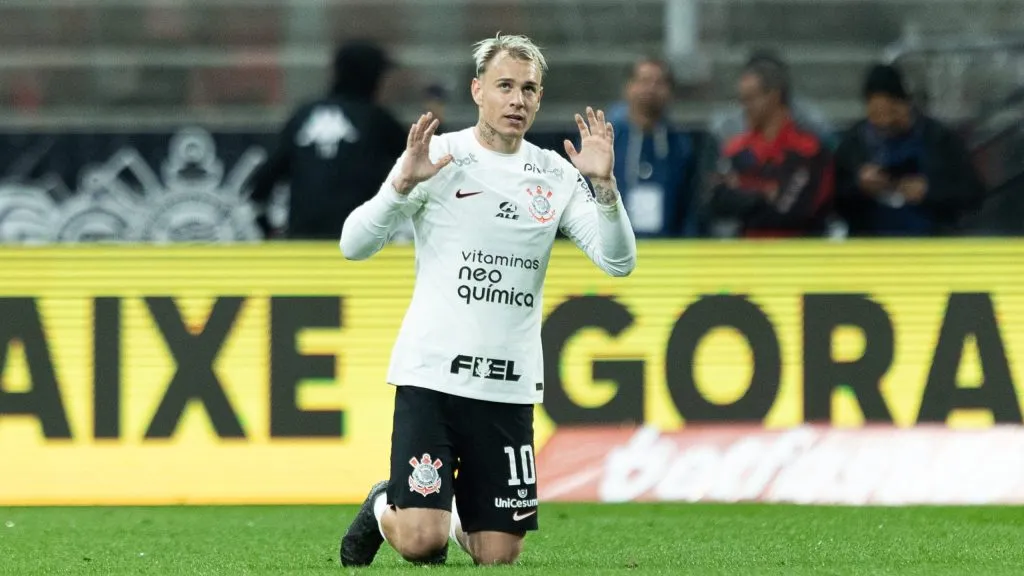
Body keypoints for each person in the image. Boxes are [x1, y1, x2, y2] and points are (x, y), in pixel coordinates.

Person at [337, 33, 637, 567]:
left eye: (529, 89)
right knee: (420, 542)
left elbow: (618, 262)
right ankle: (387, 503)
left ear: (540, 98)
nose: (517, 100)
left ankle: (436, 508)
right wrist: (400, 185)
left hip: (508, 386)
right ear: (478, 90)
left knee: (496, 555)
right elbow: (353, 245)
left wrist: (605, 190)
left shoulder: (556, 175)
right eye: (505, 86)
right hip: (433, 377)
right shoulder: (438, 156)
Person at [248, 40, 406, 239]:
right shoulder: (377, 120)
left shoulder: (303, 115)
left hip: (304, 242)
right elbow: (420, 163)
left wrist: (266, 226)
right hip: (358, 243)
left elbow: (261, 184)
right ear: (372, 76)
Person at [833, 63, 985, 236]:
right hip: (871, 247)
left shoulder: (940, 139)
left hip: (932, 245)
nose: (885, 123)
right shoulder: (853, 144)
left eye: (892, 113)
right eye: (876, 114)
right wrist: (860, 187)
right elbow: (833, 199)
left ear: (906, 104)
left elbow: (973, 193)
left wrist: (929, 192)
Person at [704, 55, 834, 237]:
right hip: (746, 257)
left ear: (774, 97)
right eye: (742, 100)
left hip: (798, 256)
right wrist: (764, 192)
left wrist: (742, 186)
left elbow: (792, 213)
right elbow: (714, 201)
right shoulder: (736, 148)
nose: (744, 108)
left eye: (750, 99)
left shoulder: (809, 151)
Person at [610, 57, 698, 237]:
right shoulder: (607, 140)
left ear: (670, 92)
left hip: (667, 250)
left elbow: (689, 205)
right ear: (628, 87)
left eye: (659, 83)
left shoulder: (681, 146)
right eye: (643, 81)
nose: (650, 89)